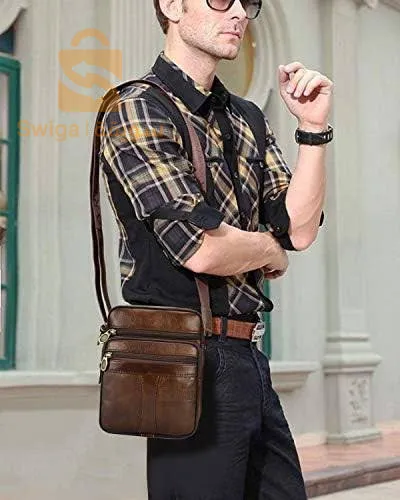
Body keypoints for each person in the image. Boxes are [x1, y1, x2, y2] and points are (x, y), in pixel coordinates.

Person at [100, 0, 333, 498]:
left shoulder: (247, 117)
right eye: (222, 0)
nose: (240, 14)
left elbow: (300, 231)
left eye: (249, 3)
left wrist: (313, 132)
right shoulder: (137, 107)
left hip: (249, 355)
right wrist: (270, 250)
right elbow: (201, 249)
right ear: (171, 5)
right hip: (186, 360)